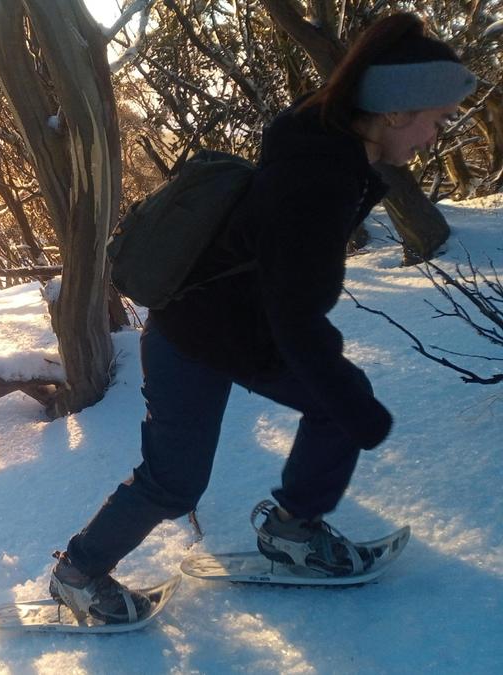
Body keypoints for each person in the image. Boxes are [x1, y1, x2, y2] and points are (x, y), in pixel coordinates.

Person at [49, 13, 478, 624]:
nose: (435, 136)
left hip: (233, 327)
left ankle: (294, 531)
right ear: (395, 112)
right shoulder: (319, 176)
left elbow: (285, 299)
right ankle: (78, 573)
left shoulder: (327, 142)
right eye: (437, 119)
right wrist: (349, 401)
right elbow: (295, 311)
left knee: (337, 401)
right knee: (176, 480)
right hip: (195, 334)